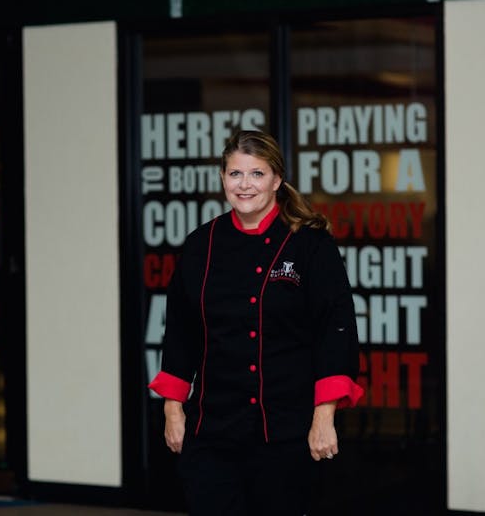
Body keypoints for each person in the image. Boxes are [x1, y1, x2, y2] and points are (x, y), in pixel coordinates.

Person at [148, 129, 363, 516]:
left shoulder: (309, 244)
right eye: (235, 174)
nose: (244, 184)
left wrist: (324, 416)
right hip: (212, 430)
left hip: (286, 431)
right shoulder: (201, 245)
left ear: (277, 180)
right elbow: (180, 331)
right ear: (222, 178)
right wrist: (173, 410)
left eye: (257, 174)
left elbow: (335, 329)